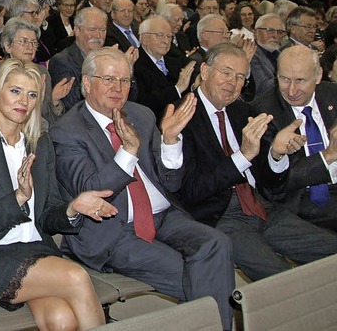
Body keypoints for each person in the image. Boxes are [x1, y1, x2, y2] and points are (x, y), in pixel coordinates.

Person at [49, 46, 235, 330]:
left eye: (125, 81)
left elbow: (171, 181)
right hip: (113, 229)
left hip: (163, 216)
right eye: (109, 79)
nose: (118, 88)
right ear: (87, 83)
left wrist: (171, 140)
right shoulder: (67, 131)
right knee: (196, 273)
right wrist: (128, 152)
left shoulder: (142, 115)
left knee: (217, 244)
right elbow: (91, 190)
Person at [0, 58, 116, 331]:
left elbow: (47, 214)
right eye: (15, 91)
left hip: (35, 249)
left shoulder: (39, 144)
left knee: (62, 319)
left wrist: (72, 208)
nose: (24, 101)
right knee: (76, 277)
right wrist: (19, 197)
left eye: (32, 94)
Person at [180, 42, 337, 281]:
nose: (233, 82)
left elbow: (271, 181)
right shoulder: (181, 117)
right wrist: (242, 157)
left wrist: (276, 154)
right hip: (222, 215)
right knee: (280, 277)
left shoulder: (243, 112)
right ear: (204, 71)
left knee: (331, 250)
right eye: (226, 72)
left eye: (241, 76)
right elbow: (191, 191)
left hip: (264, 206)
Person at [254, 46, 337, 231]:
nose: (291, 90)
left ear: (318, 75)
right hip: (300, 202)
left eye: (300, 80)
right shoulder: (263, 112)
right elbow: (273, 185)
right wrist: (329, 155)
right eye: (284, 79)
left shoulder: (334, 96)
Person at [0, 18, 72, 128]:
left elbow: (52, 122)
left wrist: (55, 101)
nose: (30, 47)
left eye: (34, 43)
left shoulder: (41, 72)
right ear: (8, 46)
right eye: (24, 41)